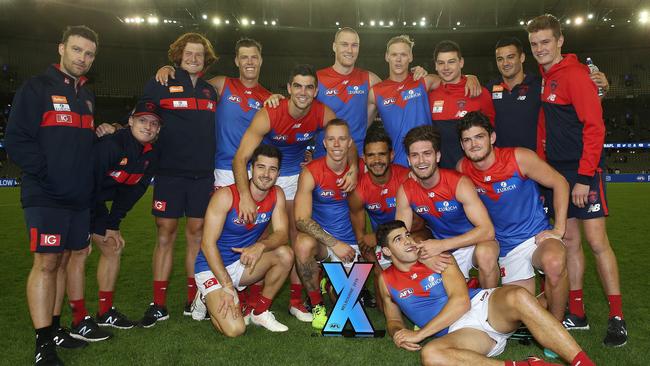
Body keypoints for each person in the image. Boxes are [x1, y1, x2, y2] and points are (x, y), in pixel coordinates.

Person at [5, 25, 104, 365]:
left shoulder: (87, 96)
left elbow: (81, 147)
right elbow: (16, 139)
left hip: (78, 198)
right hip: (45, 194)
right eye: (77, 50)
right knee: (46, 263)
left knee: (63, 261)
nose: (83, 58)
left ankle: (58, 328)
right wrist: (49, 172)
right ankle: (43, 342)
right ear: (61, 48)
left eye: (89, 54)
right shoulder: (36, 88)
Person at [527, 14, 627, 347]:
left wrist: (584, 177)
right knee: (569, 243)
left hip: (583, 173)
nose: (540, 48)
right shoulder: (546, 76)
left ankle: (617, 318)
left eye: (545, 42)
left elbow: (594, 128)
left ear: (559, 41)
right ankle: (578, 313)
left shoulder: (575, 75)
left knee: (597, 243)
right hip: (559, 176)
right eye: (535, 43)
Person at [232, 64, 358, 322]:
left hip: (296, 176)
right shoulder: (270, 112)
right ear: (289, 89)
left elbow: (348, 140)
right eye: (297, 86)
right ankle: (252, 297)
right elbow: (241, 157)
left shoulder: (322, 112)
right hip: (267, 174)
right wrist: (245, 194)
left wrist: (354, 167)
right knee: (260, 233)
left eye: (309, 87)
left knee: (295, 235)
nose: (303, 92)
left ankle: (295, 301)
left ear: (316, 90)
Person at [376, 220, 596, 366]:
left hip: (480, 306)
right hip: (462, 333)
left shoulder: (436, 257)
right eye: (398, 239)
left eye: (407, 235)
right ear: (386, 251)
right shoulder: (385, 281)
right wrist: (397, 332)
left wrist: (419, 334)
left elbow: (462, 302)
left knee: (518, 295)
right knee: (431, 355)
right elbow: (393, 319)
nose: (407, 241)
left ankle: (583, 363)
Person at [139, 33, 219, 327]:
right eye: (189, 54)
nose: (194, 59)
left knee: (197, 236)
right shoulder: (161, 83)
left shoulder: (212, 91)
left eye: (199, 55)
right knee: (165, 233)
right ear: (178, 55)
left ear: (206, 59)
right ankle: (158, 303)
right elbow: (142, 119)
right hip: (170, 173)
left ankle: (192, 298)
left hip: (202, 175)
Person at [456, 111, 569, 320]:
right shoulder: (462, 169)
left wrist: (559, 229)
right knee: (519, 316)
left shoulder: (519, 157)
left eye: (479, 137)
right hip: (506, 247)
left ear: (492, 138)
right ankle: (551, 295)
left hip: (536, 238)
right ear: (462, 146)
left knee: (553, 262)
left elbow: (560, 182)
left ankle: (558, 323)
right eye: (467, 140)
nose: (473, 144)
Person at [192, 144, 293, 336]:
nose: (266, 174)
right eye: (261, 167)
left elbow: (282, 234)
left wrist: (260, 246)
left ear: (278, 173)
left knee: (285, 254)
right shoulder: (225, 196)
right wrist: (227, 286)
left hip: (242, 263)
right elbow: (207, 244)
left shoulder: (277, 194)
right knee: (235, 330)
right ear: (252, 169)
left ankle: (260, 312)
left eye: (272, 169)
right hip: (212, 267)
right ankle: (205, 298)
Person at [154, 37, 271, 188]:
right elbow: (190, 86)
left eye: (254, 57)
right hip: (221, 170)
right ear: (236, 61)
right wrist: (171, 69)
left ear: (261, 60)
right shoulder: (222, 84)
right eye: (244, 57)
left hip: (254, 170)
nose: (249, 62)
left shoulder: (269, 98)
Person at [395, 125, 500, 288]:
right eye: (415, 155)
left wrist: (442, 245)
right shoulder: (405, 190)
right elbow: (399, 236)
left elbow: (487, 231)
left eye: (427, 154)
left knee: (486, 254)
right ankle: (467, 284)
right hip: (442, 248)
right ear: (408, 160)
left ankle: (490, 303)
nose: (421, 161)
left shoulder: (458, 183)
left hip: (474, 241)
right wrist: (422, 254)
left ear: (437, 156)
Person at [89, 101, 161, 329]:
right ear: (129, 121)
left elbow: (133, 191)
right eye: (142, 120)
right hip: (76, 199)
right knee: (73, 254)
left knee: (113, 246)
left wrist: (113, 223)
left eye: (153, 123)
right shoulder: (112, 144)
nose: (148, 127)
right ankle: (76, 318)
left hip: (95, 200)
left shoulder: (150, 155)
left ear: (158, 129)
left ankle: (104, 312)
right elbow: (87, 183)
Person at [368, 35, 481, 167]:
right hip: (397, 166)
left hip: (429, 163)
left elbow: (451, 77)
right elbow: (360, 128)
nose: (398, 60)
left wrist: (469, 77)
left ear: (410, 57)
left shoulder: (425, 81)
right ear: (387, 56)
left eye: (403, 55)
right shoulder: (375, 92)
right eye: (394, 55)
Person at [487, 36, 610, 152]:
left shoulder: (541, 85)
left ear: (522, 57)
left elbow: (579, 109)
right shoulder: (489, 89)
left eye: (510, 57)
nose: (505, 63)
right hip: (501, 164)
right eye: (500, 59)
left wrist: (601, 91)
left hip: (536, 165)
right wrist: (470, 77)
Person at [293, 119, 360, 329]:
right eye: (331, 139)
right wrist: (334, 244)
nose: (337, 144)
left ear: (350, 142)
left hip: (350, 244)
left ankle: (325, 281)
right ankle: (316, 304)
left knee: (344, 304)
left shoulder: (360, 170)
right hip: (325, 242)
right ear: (324, 143)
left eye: (342, 139)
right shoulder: (311, 172)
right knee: (303, 244)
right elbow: (301, 220)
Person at [428, 40, 495, 169]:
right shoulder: (430, 95)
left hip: (476, 174)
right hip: (444, 174)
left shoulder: (479, 92)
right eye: (441, 63)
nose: (446, 68)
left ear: (461, 62)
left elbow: (491, 134)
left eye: (451, 62)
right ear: (435, 65)